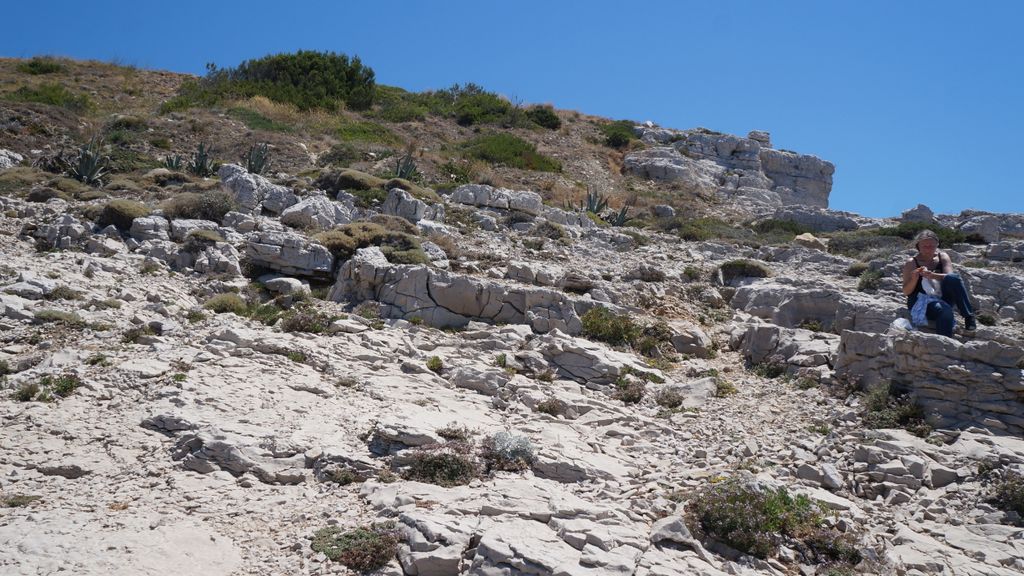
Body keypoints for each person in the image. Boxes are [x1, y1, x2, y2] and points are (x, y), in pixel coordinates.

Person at [901, 229, 977, 337]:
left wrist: (932, 275)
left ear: (937, 244)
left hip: (941, 296)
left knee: (954, 278)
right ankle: (944, 342)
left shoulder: (943, 257)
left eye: (931, 246)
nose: (928, 249)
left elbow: (950, 277)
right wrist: (914, 279)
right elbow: (906, 291)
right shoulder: (912, 262)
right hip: (920, 300)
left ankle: (969, 316)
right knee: (945, 311)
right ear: (918, 246)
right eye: (924, 246)